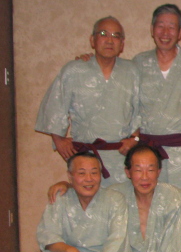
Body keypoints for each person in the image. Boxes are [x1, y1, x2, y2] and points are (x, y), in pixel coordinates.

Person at [35, 16, 140, 185]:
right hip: (84, 156)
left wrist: (135, 138)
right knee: (86, 198)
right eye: (103, 34)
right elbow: (55, 105)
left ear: (122, 44)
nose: (109, 40)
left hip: (120, 156)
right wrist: (59, 140)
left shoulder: (132, 71)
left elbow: (142, 109)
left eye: (116, 36)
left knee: (120, 199)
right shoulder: (74, 70)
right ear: (92, 40)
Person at [134, 4, 181, 198]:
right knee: (150, 201)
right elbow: (129, 105)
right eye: (160, 26)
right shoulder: (138, 62)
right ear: (152, 29)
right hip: (148, 151)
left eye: (171, 27)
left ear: (180, 32)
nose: (165, 32)